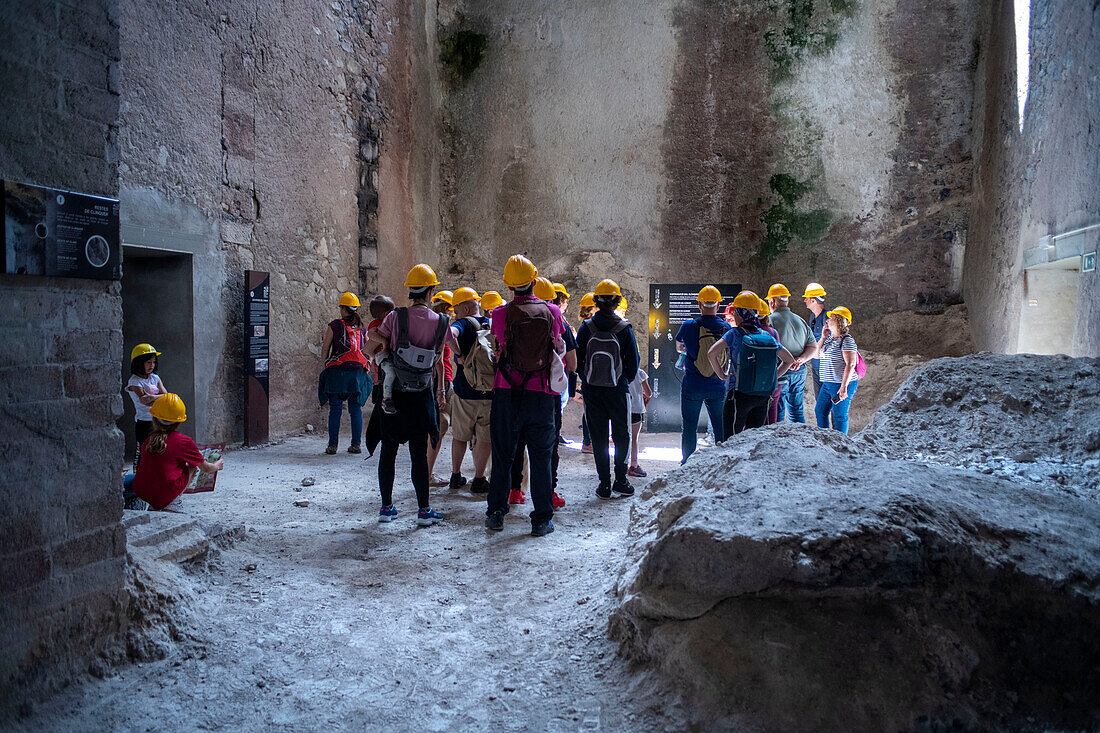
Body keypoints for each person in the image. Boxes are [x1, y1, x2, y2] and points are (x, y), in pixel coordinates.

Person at [365, 264, 454, 527]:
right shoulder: (441, 322)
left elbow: (372, 347)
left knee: (388, 452)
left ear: (410, 291)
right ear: (431, 291)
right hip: (421, 397)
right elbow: (447, 353)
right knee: (418, 453)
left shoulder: (395, 317)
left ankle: (386, 508)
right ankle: (424, 510)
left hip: (392, 397)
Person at [485, 255, 567, 537]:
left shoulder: (499, 313)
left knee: (503, 456)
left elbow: (498, 344)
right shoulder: (553, 312)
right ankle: (542, 519)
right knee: (542, 458)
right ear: (534, 280)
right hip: (541, 393)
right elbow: (558, 345)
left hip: (506, 392)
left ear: (509, 285)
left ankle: (496, 512)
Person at [576, 279, 640, 499]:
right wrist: (621, 381)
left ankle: (604, 484)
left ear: (596, 301)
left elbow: (577, 361)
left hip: (592, 391)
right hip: (617, 391)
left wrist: (588, 379)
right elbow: (633, 364)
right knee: (622, 435)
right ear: (617, 301)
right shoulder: (624, 329)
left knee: (599, 437)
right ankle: (621, 480)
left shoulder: (586, 328)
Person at [709, 291, 795, 436]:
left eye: (736, 311)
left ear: (740, 313)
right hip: (762, 396)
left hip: (738, 395)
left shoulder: (734, 334)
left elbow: (711, 353)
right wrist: (772, 378)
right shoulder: (766, 335)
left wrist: (723, 375)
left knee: (731, 439)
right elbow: (789, 360)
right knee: (752, 440)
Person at [128, 393, 223, 512]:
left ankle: (155, 504)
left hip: (142, 490)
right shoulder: (184, 441)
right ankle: (173, 501)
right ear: (179, 421)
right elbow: (206, 468)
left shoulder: (148, 440)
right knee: (192, 465)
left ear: (154, 419)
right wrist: (217, 465)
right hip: (167, 491)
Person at [674, 286, 730, 463]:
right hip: (718, 385)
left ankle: (687, 462)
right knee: (720, 427)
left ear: (699, 305)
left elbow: (679, 347)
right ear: (718, 305)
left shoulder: (689, 325)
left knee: (689, 426)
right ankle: (722, 463)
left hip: (693, 384)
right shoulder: (727, 327)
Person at [447, 287, 492, 495]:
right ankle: (479, 478)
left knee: (460, 435)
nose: (455, 313)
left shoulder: (463, 322)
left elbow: (448, 334)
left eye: (456, 309)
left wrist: (458, 354)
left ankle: (456, 476)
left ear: (465, 307)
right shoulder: (491, 323)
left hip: (466, 391)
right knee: (484, 438)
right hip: (490, 391)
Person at [319, 292, 372, 454]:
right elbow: (367, 349)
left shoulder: (334, 325)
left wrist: (325, 366)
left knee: (335, 408)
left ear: (343, 309)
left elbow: (326, 348)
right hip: (357, 374)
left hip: (337, 373)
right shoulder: (362, 327)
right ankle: (356, 445)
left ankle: (332, 445)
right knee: (355, 409)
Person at [767, 283, 817, 423]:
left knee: (778, 411)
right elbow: (813, 347)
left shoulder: (770, 321)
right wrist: (801, 359)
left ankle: (779, 443)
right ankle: (799, 442)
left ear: (772, 301)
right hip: (799, 371)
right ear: (787, 300)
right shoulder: (800, 320)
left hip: (780, 371)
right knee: (796, 410)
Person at [814, 306, 861, 434]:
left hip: (841, 383)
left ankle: (841, 444)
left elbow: (851, 364)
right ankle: (824, 438)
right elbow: (816, 355)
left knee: (839, 415)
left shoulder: (847, 340)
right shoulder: (829, 339)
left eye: (831, 318)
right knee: (820, 411)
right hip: (828, 383)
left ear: (839, 321)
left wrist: (844, 387)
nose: (828, 320)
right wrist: (823, 337)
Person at [427, 290, 456, 487]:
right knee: (440, 426)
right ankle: (427, 474)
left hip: (436, 381)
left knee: (436, 428)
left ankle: (426, 472)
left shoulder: (428, 324)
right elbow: (439, 361)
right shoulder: (441, 326)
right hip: (440, 381)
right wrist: (442, 391)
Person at [125, 343, 166, 465]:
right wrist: (159, 398)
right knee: (143, 451)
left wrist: (153, 397)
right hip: (144, 422)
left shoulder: (155, 378)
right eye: (148, 362)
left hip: (158, 419)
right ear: (139, 363)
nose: (151, 365)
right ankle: (140, 477)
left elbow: (167, 396)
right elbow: (144, 400)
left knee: (160, 449)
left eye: (153, 362)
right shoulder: (134, 381)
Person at [757, 297, 783, 425]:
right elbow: (783, 357)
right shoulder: (773, 332)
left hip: (756, 385)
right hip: (773, 383)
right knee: (771, 421)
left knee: (753, 425)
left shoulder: (750, 334)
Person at [575, 291, 596, 452]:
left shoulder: (585, 326)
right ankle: (588, 442)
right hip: (591, 374)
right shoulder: (588, 327)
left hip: (588, 373)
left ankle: (589, 441)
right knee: (590, 410)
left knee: (590, 408)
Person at [803, 282, 828, 400]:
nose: (804, 301)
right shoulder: (813, 318)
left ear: (813, 301)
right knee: (820, 404)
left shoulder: (827, 318)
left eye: (806, 298)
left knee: (831, 403)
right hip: (815, 367)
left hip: (826, 368)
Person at [627, 367, 651, 477]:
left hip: (622, 407)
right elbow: (648, 392)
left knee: (622, 437)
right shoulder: (640, 372)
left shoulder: (619, 369)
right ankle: (634, 465)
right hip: (636, 408)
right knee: (634, 438)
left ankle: (621, 464)